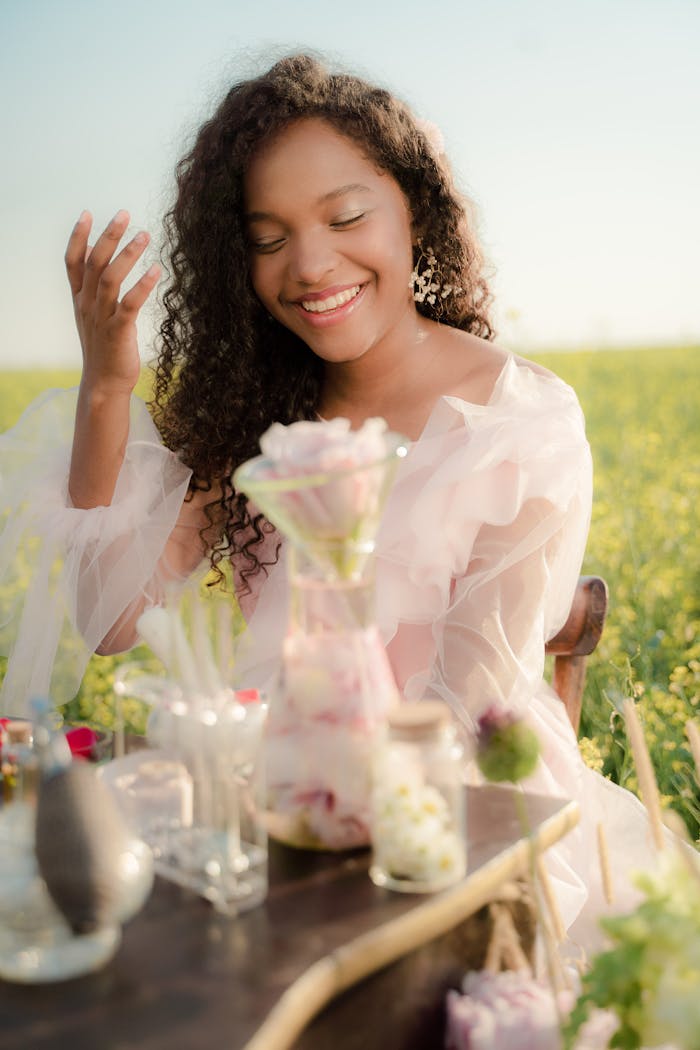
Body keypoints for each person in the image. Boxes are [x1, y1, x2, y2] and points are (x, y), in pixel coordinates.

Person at [0, 53, 663, 948]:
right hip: (269, 797)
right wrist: (108, 390)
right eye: (267, 238)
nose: (311, 266)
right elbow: (111, 616)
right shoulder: (251, 412)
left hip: (449, 812)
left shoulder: (519, 420)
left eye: (346, 216)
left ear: (413, 213)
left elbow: (468, 708)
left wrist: (284, 788)